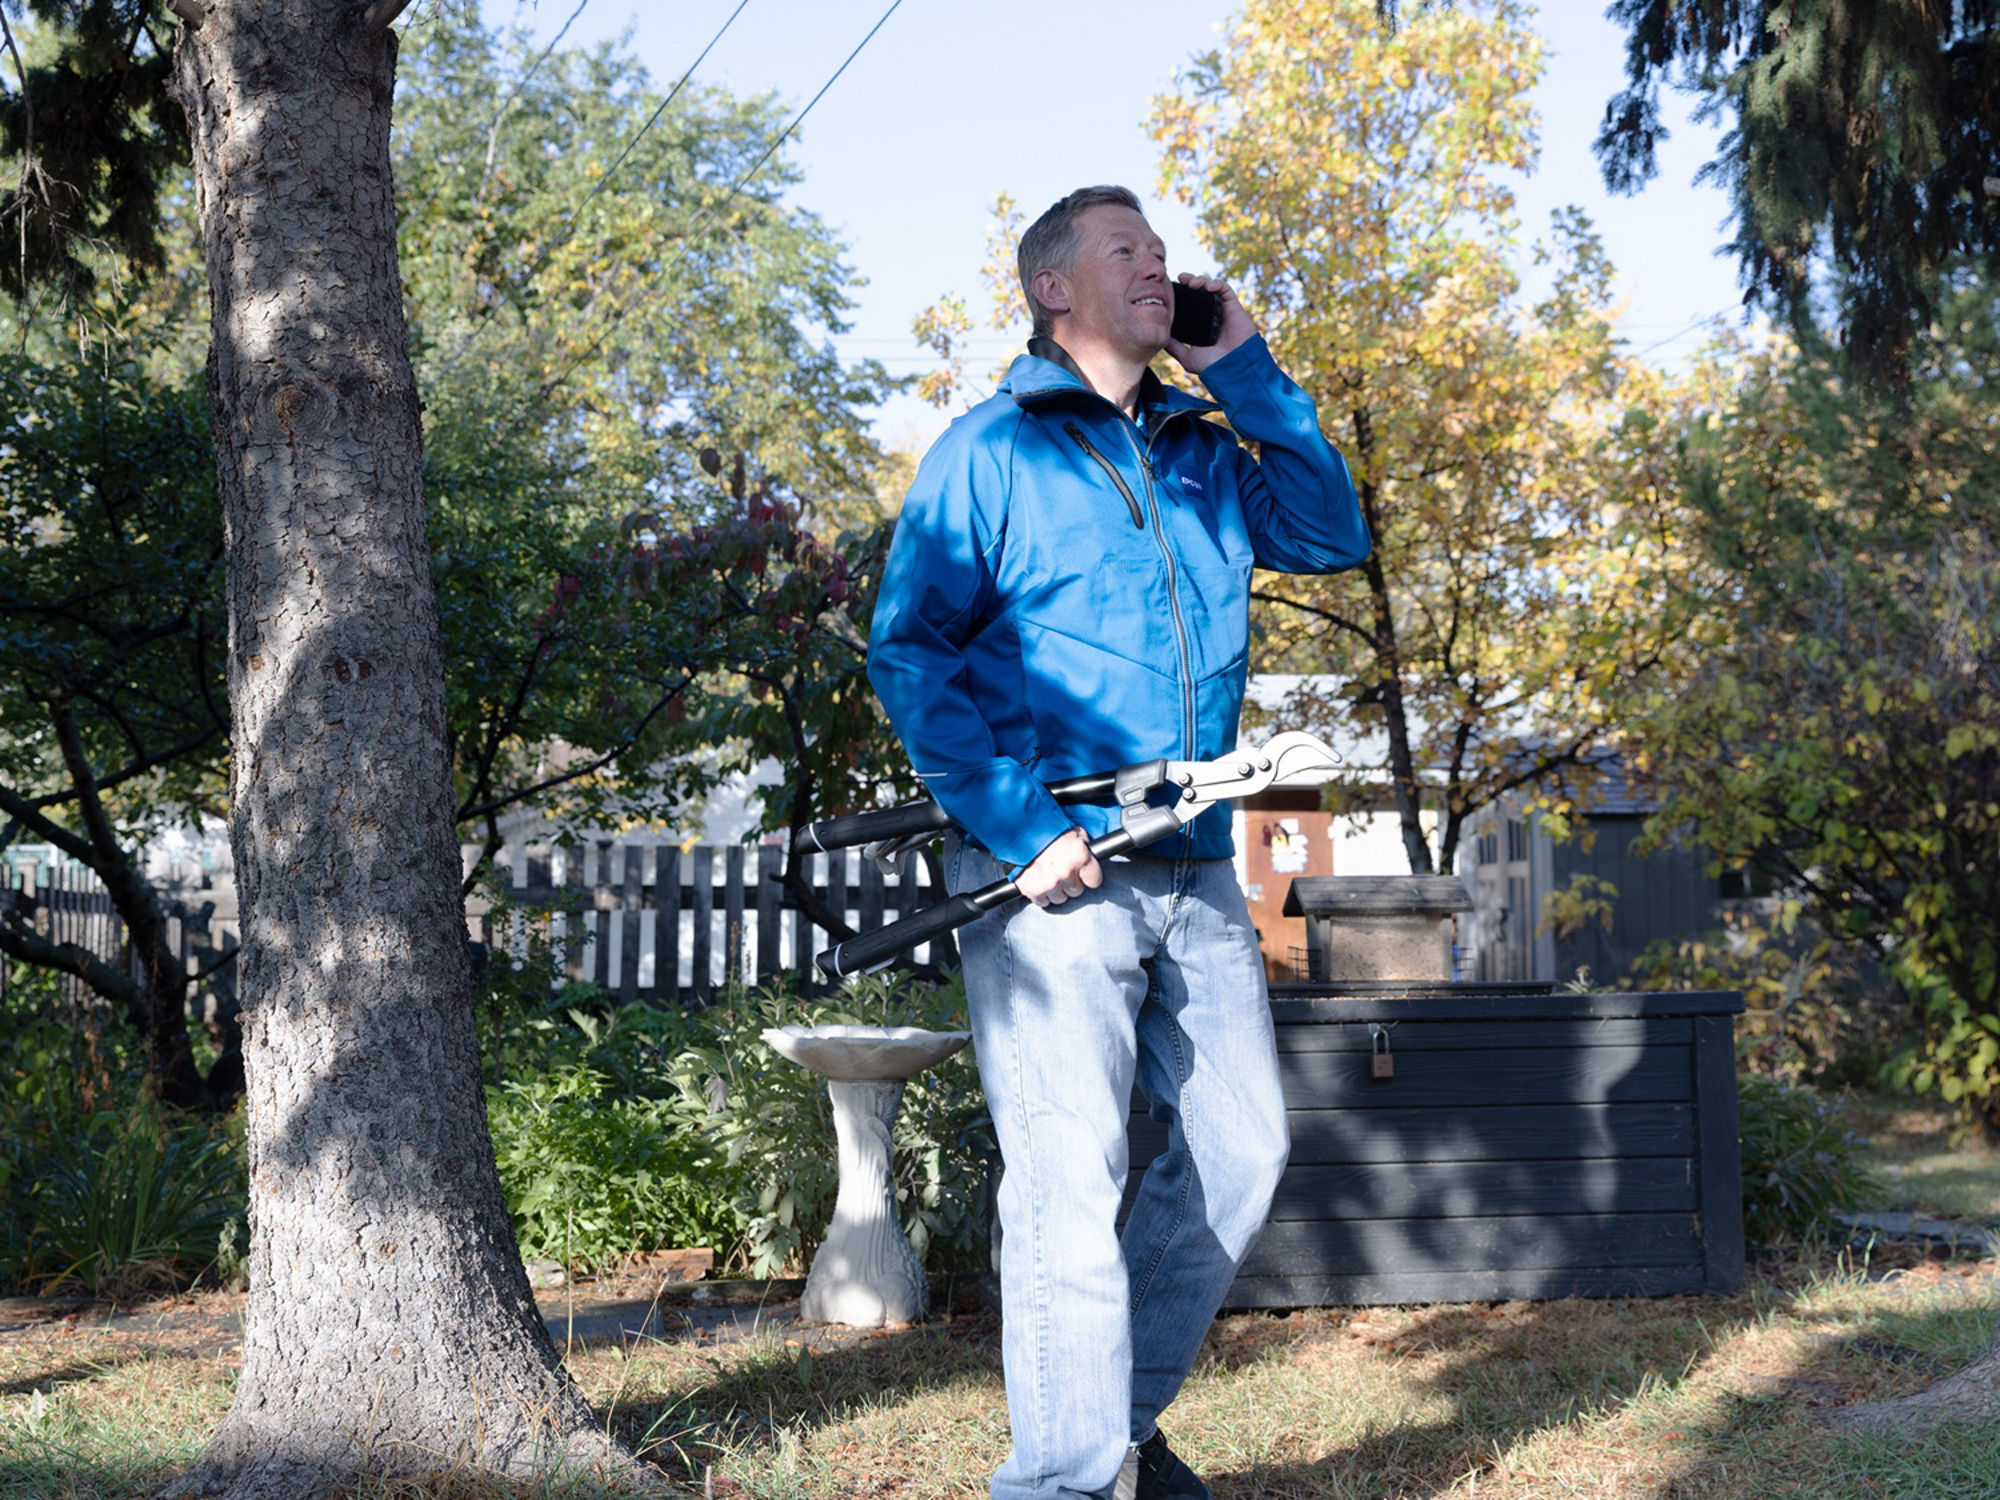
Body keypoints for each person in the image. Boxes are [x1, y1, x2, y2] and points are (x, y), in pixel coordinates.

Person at [866, 185, 1370, 1500]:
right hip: (1052, 877)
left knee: (1241, 1152)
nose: (1160, 266)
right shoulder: (989, 454)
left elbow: (1331, 531)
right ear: (1053, 288)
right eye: (1126, 252)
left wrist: (1245, 365)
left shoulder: (1203, 449)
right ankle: (1067, 1483)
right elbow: (909, 651)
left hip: (1197, 861)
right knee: (1069, 1187)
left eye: (1163, 252)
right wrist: (1024, 829)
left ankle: (1111, 1431)